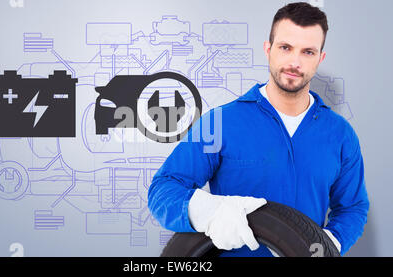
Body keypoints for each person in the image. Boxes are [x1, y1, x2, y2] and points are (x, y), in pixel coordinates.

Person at [147, 2, 369, 257]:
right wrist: (210, 211)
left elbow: (353, 207)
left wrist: (329, 243)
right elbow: (164, 190)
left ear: (320, 58)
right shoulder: (220, 123)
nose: (294, 62)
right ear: (268, 49)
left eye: (308, 52)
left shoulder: (340, 134)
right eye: (285, 47)